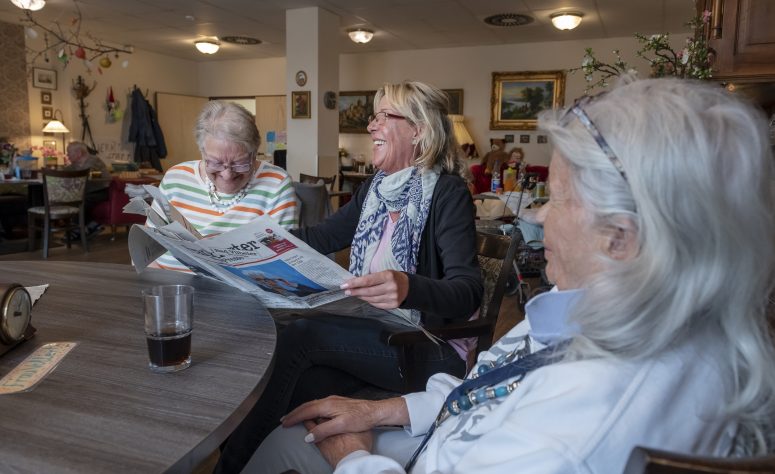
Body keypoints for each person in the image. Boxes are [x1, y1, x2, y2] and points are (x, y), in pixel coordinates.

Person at [243, 77, 775, 473]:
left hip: (422, 365)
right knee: (307, 391)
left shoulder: (573, 432)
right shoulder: (591, 311)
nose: (537, 216)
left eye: (557, 199)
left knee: (294, 406)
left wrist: (353, 458)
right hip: (441, 416)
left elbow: (466, 299)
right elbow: (487, 384)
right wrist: (383, 410)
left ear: (621, 236)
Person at [215, 81, 483, 473]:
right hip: (379, 333)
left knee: (303, 335)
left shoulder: (447, 193)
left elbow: (468, 291)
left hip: (426, 346)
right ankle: (244, 460)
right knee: (300, 386)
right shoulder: (375, 189)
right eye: (373, 117)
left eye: (383, 116)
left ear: (419, 130)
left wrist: (408, 287)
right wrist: (247, 244)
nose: (371, 126)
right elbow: (321, 237)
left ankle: (227, 469)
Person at [146, 101, 298, 271]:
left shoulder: (276, 184)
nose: (227, 175)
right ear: (202, 152)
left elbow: (286, 261)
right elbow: (149, 246)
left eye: (240, 163)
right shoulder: (176, 178)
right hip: (167, 283)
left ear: (255, 153)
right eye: (216, 163)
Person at [64, 141, 110, 238]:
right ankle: (91, 225)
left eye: (69, 153)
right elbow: (67, 171)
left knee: (80, 200)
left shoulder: (94, 161)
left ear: (79, 153)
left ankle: (78, 229)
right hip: (86, 192)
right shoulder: (75, 164)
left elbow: (85, 173)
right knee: (72, 198)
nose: (67, 155)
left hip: (100, 191)